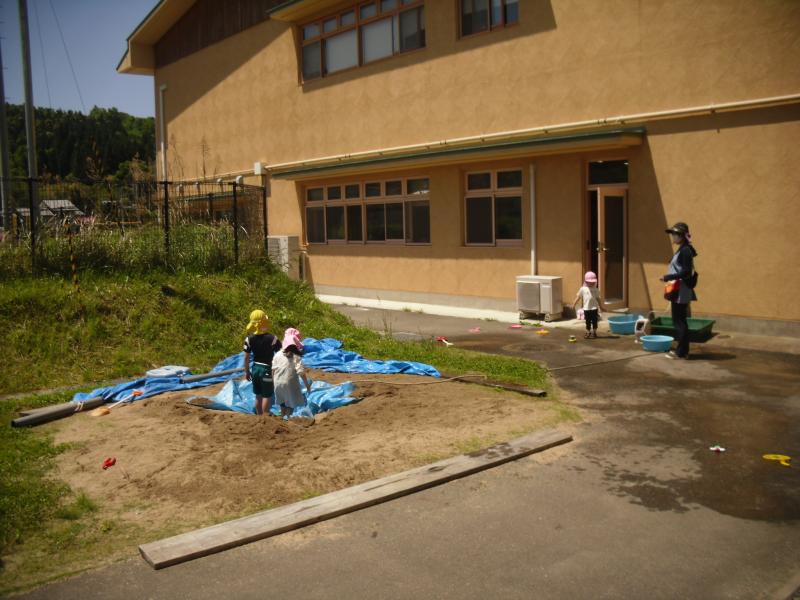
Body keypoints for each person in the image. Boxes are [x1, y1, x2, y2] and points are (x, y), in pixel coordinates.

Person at [660, 222, 698, 359]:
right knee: (680, 320)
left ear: (681, 235)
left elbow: (686, 272)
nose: (673, 236)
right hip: (678, 289)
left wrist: (667, 277)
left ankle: (681, 352)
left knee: (679, 321)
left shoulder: (685, 250)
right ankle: (683, 351)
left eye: (675, 234)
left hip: (681, 290)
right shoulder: (683, 249)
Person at [242, 309, 281, 416]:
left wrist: (247, 372)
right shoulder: (272, 338)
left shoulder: (249, 339)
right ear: (264, 323)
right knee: (266, 396)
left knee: (258, 395)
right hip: (267, 369)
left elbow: (246, 357)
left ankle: (259, 416)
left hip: (255, 369)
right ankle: (265, 417)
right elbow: (280, 353)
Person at [272, 327, 311, 418]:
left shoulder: (277, 354)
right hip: (289, 383)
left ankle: (282, 416)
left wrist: (273, 382)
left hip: (277, 382)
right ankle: (288, 417)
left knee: (282, 401)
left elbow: (273, 369)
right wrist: (307, 385)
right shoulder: (295, 356)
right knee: (291, 402)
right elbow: (301, 372)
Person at [573, 271, 610, 338]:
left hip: (594, 308)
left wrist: (601, 307)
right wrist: (574, 304)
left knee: (595, 321)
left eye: (593, 282)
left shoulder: (596, 290)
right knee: (588, 321)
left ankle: (594, 332)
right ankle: (588, 332)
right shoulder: (583, 289)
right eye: (590, 282)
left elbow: (598, 299)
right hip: (586, 309)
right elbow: (578, 297)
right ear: (586, 282)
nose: (592, 283)